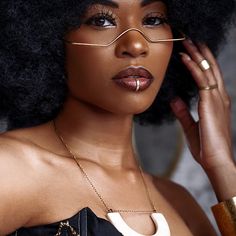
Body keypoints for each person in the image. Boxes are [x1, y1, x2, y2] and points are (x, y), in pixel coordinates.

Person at [0, 0, 235, 235]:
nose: (135, 44)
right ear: (50, 38)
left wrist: (221, 165)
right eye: (101, 20)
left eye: (153, 20)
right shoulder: (13, 168)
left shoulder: (180, 204)